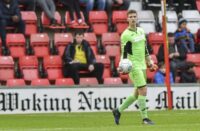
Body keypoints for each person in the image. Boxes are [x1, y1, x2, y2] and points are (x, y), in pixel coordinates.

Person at [112, 10, 157, 125]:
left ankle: (118, 110)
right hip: (133, 66)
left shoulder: (141, 31)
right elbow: (124, 52)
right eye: (130, 17)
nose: (132, 18)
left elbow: (145, 48)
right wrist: (121, 65)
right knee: (143, 89)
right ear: (127, 19)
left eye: (134, 16)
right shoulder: (125, 35)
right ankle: (145, 119)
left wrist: (150, 62)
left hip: (142, 65)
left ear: (137, 18)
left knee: (137, 93)